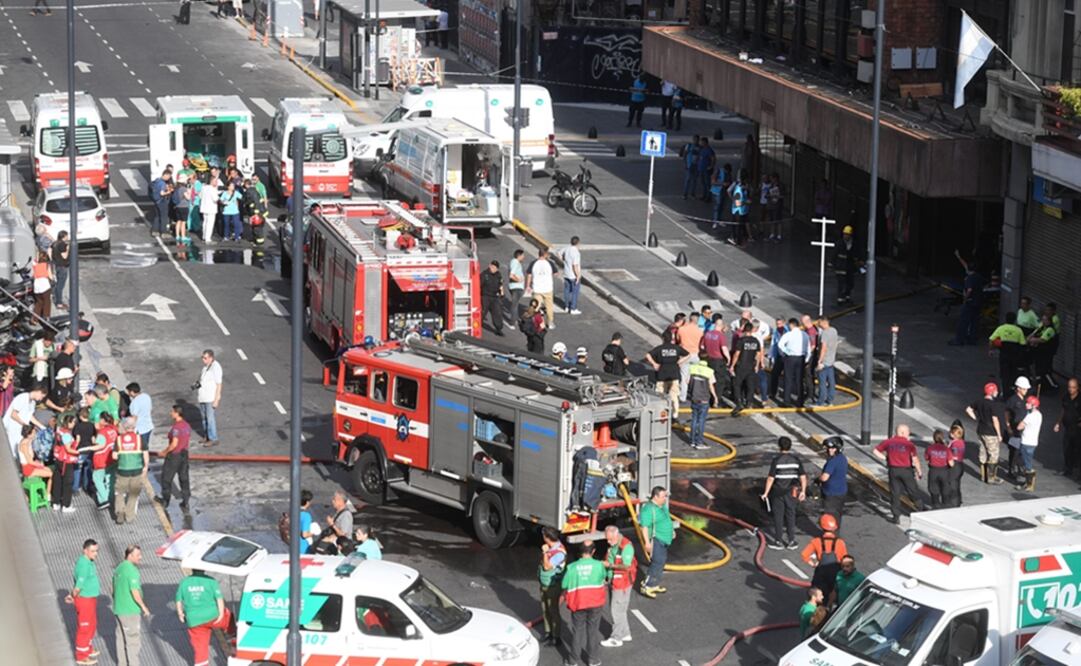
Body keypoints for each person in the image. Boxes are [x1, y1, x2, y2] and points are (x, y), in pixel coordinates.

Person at [562, 541, 607, 666]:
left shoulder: (571, 568)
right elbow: (604, 577)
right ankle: (593, 660)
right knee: (593, 631)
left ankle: (573, 661)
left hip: (578, 603)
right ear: (593, 551)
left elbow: (564, 585)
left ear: (580, 552)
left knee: (578, 632)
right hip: (595, 603)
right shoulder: (599, 566)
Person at [176, 569, 230, 666]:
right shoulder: (211, 581)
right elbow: (219, 599)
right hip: (213, 617)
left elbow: (178, 600)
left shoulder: (184, 582)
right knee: (229, 617)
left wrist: (180, 613)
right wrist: (221, 614)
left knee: (200, 647)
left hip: (194, 620)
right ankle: (233, 639)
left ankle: (201, 663)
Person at [873, 424, 925, 523]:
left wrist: (886, 459)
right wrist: (919, 471)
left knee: (895, 493)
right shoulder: (909, 444)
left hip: (893, 470)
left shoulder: (888, 442)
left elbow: (875, 451)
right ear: (902, 432)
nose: (908, 434)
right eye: (908, 432)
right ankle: (921, 509)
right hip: (906, 471)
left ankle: (896, 516)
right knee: (912, 490)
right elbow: (915, 459)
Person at [761, 436, 807, 549]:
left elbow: (771, 478)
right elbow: (803, 477)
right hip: (792, 492)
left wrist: (765, 493)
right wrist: (803, 491)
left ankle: (778, 541)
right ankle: (791, 541)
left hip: (778, 492)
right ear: (790, 446)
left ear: (779, 447)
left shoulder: (776, 461)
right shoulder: (796, 460)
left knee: (778, 516)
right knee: (791, 515)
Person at [113, 545, 151, 666]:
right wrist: (143, 607)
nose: (141, 557)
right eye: (138, 555)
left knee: (121, 639)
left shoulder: (118, 568)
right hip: (130, 611)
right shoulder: (132, 571)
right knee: (133, 641)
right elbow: (134, 591)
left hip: (119, 609)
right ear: (130, 555)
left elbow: (113, 590)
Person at [601, 525, 635, 648]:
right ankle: (625, 633)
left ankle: (616, 638)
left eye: (610, 539)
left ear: (616, 535)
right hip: (616, 581)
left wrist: (609, 565)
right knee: (621, 609)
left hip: (622, 583)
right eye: (607, 539)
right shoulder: (614, 545)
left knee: (616, 610)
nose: (608, 542)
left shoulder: (626, 547)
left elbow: (626, 566)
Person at [67, 539, 100, 665]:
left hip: (90, 598)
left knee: (92, 624)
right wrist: (72, 595)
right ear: (85, 550)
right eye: (92, 551)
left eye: (96, 551)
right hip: (84, 600)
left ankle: (88, 648)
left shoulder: (88, 562)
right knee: (84, 627)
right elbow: (78, 586)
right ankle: (81, 656)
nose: (95, 554)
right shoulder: (84, 566)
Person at [965, 382, 1005, 485]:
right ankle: (991, 477)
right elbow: (995, 420)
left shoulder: (979, 401)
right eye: (995, 391)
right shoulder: (993, 405)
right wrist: (999, 434)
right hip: (991, 432)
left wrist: (976, 418)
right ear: (991, 392)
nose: (997, 392)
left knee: (983, 453)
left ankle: (984, 476)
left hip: (981, 430)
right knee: (993, 455)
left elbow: (968, 409)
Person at [802, 514, 847, 601]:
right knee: (833, 598)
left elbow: (804, 555)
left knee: (816, 597)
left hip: (821, 574)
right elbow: (844, 560)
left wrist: (814, 563)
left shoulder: (816, 541)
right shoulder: (840, 543)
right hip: (835, 575)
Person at [638, 486, 674, 598]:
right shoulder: (648, 510)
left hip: (665, 540)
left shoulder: (661, 506)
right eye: (663, 497)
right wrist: (647, 543)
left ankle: (654, 584)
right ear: (656, 496)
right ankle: (647, 586)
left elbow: (667, 519)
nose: (665, 499)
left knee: (661, 562)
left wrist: (671, 531)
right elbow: (644, 527)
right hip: (656, 540)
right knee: (656, 562)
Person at [155, 404, 191, 510]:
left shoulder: (176, 428)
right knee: (184, 478)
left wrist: (164, 452)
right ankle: (186, 501)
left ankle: (165, 500)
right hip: (184, 454)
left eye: (172, 411)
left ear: (177, 413)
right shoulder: (186, 425)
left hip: (174, 456)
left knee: (166, 478)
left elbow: (174, 444)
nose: (170, 413)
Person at [646, 329, 690, 416]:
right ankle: (675, 413)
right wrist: (680, 361)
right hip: (674, 374)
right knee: (674, 395)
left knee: (660, 394)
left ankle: (660, 411)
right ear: (672, 338)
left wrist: (654, 364)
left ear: (663, 339)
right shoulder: (676, 348)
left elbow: (648, 355)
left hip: (662, 375)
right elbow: (688, 354)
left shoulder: (660, 348)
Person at [113, 417, 148, 525]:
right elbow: (145, 454)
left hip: (123, 469)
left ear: (124, 426)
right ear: (134, 427)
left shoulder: (118, 439)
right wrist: (145, 466)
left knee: (119, 492)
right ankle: (130, 516)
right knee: (133, 493)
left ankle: (120, 511)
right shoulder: (139, 438)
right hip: (137, 469)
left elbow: (114, 456)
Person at [537, 526, 566, 647]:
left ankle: (556, 637)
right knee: (545, 610)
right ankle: (548, 633)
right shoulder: (551, 547)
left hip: (552, 586)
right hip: (545, 584)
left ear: (547, 537)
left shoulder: (559, 553)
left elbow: (547, 567)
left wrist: (544, 552)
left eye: (544, 535)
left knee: (553, 611)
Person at [949, 251, 984, 345]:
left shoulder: (969, 278)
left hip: (970, 302)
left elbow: (969, 290)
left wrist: (965, 298)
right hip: (978, 302)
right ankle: (972, 339)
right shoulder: (978, 277)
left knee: (963, 321)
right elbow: (965, 265)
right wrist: (959, 256)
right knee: (974, 321)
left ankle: (959, 340)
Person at [4, 383, 46, 457]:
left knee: (19, 451)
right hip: (12, 428)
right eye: (42, 396)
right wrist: (24, 424)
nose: (41, 399)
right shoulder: (23, 397)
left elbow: (29, 416)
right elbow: (13, 414)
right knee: (13, 451)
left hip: (20, 430)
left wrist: (41, 426)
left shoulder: (32, 403)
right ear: (39, 391)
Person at [730, 320, 763, 413]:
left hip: (741, 365)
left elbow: (737, 354)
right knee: (750, 385)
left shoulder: (741, 341)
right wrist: (757, 365)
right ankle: (749, 402)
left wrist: (732, 365)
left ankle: (739, 402)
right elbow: (758, 354)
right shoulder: (756, 341)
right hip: (751, 366)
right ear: (752, 330)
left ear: (744, 330)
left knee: (737, 384)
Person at [989, 313, 1027, 391]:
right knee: (1013, 372)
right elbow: (1023, 344)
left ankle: (1004, 390)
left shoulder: (1001, 328)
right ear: (1014, 320)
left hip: (1004, 355)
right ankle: (1011, 388)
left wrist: (991, 349)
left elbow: (992, 339)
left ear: (1005, 319)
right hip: (1015, 356)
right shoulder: (1018, 330)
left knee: (1004, 373)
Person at [778, 318, 810, 407]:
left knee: (788, 379)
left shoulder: (789, 334)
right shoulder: (805, 335)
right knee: (799, 380)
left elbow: (780, 344)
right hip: (801, 358)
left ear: (791, 325)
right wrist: (806, 359)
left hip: (790, 358)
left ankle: (786, 401)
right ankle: (800, 401)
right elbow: (808, 349)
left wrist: (786, 352)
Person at [686, 359, 718, 450]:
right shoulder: (709, 371)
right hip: (704, 400)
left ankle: (692, 441)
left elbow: (687, 381)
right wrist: (715, 397)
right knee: (701, 422)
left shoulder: (692, 368)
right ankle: (699, 442)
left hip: (694, 398)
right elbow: (711, 386)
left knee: (694, 420)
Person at [1005, 376, 1031, 483]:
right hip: (1015, 430)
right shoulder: (1012, 400)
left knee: (1021, 451)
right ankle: (1012, 470)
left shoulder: (1025, 400)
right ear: (1018, 388)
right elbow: (1007, 414)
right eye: (1024, 389)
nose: (1026, 391)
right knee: (1014, 451)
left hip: (1023, 431)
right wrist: (1008, 427)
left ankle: (1018, 469)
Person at [90, 413, 118, 510]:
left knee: (97, 478)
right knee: (110, 478)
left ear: (102, 420)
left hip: (102, 460)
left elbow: (100, 445)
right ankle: (110, 496)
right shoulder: (114, 429)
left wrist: (90, 444)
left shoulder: (102, 432)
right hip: (112, 458)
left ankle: (103, 499)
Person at [818, 437, 848, 526]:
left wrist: (818, 479)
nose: (830, 450)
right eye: (829, 448)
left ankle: (830, 536)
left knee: (829, 517)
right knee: (837, 515)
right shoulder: (843, 458)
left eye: (832, 448)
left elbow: (824, 478)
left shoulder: (832, 462)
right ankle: (836, 533)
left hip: (831, 493)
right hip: (841, 491)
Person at [1055, 377, 1081, 479]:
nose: (1071, 389)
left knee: (1078, 450)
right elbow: (1063, 410)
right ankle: (1068, 469)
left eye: (1073, 387)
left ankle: (1079, 472)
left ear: (1077, 388)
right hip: (1068, 427)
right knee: (1067, 448)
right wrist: (1058, 422)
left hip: (1078, 429)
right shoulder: (1066, 397)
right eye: (1069, 387)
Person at [52, 414, 79, 511]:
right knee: (67, 483)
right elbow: (68, 449)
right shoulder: (67, 435)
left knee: (57, 481)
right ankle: (66, 505)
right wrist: (78, 451)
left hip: (58, 459)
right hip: (66, 462)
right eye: (73, 422)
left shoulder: (59, 430)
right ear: (69, 423)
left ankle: (56, 502)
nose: (74, 424)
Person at [525, 247, 557, 330]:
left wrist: (528, 286)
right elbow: (555, 274)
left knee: (536, 306)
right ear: (545, 255)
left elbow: (529, 275)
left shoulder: (533, 263)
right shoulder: (550, 263)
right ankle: (550, 322)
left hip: (537, 288)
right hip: (548, 288)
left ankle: (536, 322)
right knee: (549, 306)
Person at [1015, 396, 1042, 491]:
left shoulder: (1030, 416)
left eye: (1028, 403)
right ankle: (1027, 483)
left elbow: (1019, 427)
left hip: (1026, 442)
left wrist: (1022, 419)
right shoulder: (1038, 414)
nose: (1026, 404)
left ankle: (1029, 484)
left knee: (1027, 464)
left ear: (1034, 406)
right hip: (1032, 442)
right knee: (1027, 462)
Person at [197, 349, 223, 446]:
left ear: (211, 358)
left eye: (205, 358)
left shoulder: (216, 367)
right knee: (204, 418)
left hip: (210, 398)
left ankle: (213, 438)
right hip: (203, 397)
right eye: (203, 358)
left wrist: (216, 399)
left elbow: (219, 384)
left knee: (210, 418)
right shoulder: (205, 368)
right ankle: (206, 436)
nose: (203, 360)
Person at [17, 424, 52, 494]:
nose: (35, 433)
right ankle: (47, 494)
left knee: (49, 470)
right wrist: (40, 465)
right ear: (28, 435)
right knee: (51, 474)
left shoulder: (28, 441)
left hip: (30, 466)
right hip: (27, 468)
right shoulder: (24, 445)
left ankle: (45, 491)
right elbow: (30, 461)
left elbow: (32, 457)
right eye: (33, 432)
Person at [925, 430, 953, 509]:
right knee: (945, 486)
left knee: (933, 487)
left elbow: (926, 458)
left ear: (934, 438)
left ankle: (936, 503)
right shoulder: (946, 449)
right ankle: (946, 502)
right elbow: (951, 463)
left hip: (933, 470)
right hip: (944, 470)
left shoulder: (929, 448)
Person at [832, 225, 860, 305]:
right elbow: (834, 254)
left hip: (850, 268)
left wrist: (858, 261)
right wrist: (832, 264)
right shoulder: (839, 243)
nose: (846, 236)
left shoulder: (853, 244)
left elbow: (856, 254)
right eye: (845, 234)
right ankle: (840, 298)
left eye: (847, 234)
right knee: (841, 283)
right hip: (841, 267)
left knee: (850, 283)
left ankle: (847, 296)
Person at [816, 316, 839, 406]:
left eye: (819, 322)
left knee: (822, 382)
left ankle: (820, 401)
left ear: (823, 322)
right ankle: (830, 400)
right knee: (831, 382)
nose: (818, 324)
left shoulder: (825, 333)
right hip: (831, 361)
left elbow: (823, 348)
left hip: (824, 361)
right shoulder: (834, 330)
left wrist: (819, 361)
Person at [479, 260, 505, 336]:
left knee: (497, 313)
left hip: (495, 297)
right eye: (493, 267)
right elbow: (479, 285)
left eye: (495, 268)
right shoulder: (484, 274)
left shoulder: (498, 275)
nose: (494, 269)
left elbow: (500, 284)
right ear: (490, 266)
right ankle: (477, 326)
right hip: (485, 296)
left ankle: (498, 328)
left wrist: (502, 293)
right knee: (482, 312)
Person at [126, 383, 153, 450]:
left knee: (139, 448)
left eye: (129, 392)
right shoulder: (146, 396)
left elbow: (134, 417)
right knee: (145, 447)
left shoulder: (134, 403)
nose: (128, 394)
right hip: (148, 426)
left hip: (140, 429)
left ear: (132, 392)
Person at [560, 236, 582, 315]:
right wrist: (578, 275)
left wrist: (564, 260)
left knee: (567, 291)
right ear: (578, 243)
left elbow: (559, 253)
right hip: (573, 275)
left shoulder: (567, 248)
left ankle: (566, 306)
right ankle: (573, 308)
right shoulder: (576, 253)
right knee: (575, 292)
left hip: (566, 273)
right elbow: (575, 265)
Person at [947, 422, 966, 507]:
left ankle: (954, 503)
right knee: (957, 484)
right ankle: (958, 500)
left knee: (952, 484)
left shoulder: (955, 443)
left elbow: (953, 455)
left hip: (955, 465)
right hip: (960, 465)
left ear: (953, 434)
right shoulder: (961, 442)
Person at [150, 170, 173, 237]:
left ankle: (155, 230)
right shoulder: (162, 183)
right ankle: (164, 232)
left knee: (157, 216)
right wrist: (168, 192)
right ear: (166, 175)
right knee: (164, 217)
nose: (169, 178)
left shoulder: (157, 181)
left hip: (156, 201)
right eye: (169, 176)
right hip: (162, 201)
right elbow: (162, 193)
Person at [31, 249, 53, 318]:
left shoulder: (35, 265)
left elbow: (32, 274)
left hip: (36, 286)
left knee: (38, 303)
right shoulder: (46, 265)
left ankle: (34, 319)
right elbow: (50, 276)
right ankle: (46, 317)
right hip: (45, 286)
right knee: (47, 302)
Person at [506, 248, 526, 324]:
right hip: (516, 287)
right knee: (514, 304)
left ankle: (515, 318)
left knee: (516, 304)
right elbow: (511, 275)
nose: (524, 257)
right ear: (519, 255)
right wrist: (518, 280)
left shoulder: (514, 262)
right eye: (523, 255)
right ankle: (512, 321)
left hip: (515, 287)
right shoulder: (515, 262)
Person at [199, 173, 219, 244]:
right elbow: (215, 199)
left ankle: (204, 236)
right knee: (210, 223)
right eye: (215, 181)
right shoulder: (212, 189)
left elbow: (200, 196)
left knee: (205, 222)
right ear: (212, 181)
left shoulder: (204, 187)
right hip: (211, 208)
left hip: (204, 207)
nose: (217, 183)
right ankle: (208, 239)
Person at [52, 230, 71, 309]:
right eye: (67, 236)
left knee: (58, 284)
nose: (68, 237)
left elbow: (50, 251)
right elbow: (64, 256)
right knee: (60, 285)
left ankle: (57, 300)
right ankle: (59, 302)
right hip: (63, 266)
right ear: (64, 236)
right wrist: (67, 248)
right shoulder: (63, 244)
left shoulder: (55, 243)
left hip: (57, 265)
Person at [681, 135, 701, 200]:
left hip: (696, 165)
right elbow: (685, 154)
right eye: (695, 139)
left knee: (694, 180)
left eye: (697, 139)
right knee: (688, 180)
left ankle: (692, 194)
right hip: (689, 165)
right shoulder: (689, 146)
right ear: (693, 139)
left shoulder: (700, 147)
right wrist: (685, 164)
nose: (696, 141)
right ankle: (685, 194)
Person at [697, 137, 716, 202]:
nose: (701, 143)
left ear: (705, 142)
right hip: (701, 169)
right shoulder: (702, 149)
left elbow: (713, 159)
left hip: (706, 170)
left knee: (707, 183)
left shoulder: (709, 150)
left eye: (702, 142)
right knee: (703, 183)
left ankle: (708, 197)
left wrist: (711, 166)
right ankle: (704, 195)